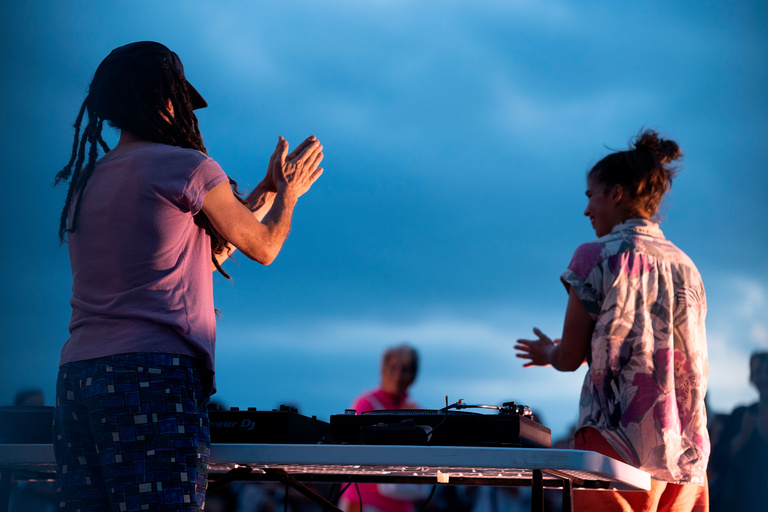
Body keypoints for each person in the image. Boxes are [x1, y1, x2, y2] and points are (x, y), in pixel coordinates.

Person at [52, 41, 323, 511]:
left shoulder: (88, 178)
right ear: (163, 99)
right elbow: (260, 246)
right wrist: (290, 195)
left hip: (78, 376)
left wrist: (265, 189)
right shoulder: (187, 166)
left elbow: (215, 238)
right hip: (153, 374)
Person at [514, 130, 709, 511]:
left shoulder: (595, 258)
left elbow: (568, 358)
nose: (587, 210)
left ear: (616, 194)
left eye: (591, 196)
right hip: (685, 453)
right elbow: (658, 353)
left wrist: (549, 351)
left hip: (614, 445)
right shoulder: (688, 268)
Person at [338, 344, 427, 512]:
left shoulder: (416, 410)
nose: (398, 376)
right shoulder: (366, 404)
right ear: (383, 370)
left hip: (401, 503)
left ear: (414, 376)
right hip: (363, 501)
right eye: (392, 368)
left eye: (405, 370)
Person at [708, 351, 768, 511]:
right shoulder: (741, 414)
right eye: (756, 371)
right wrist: (743, 436)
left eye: (764, 370)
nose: (760, 376)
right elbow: (718, 459)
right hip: (734, 500)